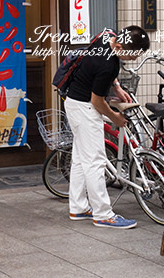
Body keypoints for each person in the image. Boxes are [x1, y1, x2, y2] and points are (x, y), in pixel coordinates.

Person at [64, 25, 150, 229]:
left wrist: (117, 86)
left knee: (80, 159)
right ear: (120, 45)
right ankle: (103, 214)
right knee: (95, 161)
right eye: (133, 55)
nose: (134, 59)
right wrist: (115, 118)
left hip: (73, 103)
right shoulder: (108, 64)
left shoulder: (106, 37)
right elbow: (97, 102)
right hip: (85, 108)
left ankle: (78, 207)